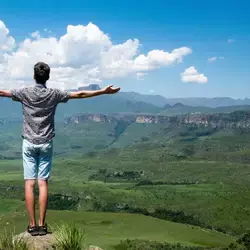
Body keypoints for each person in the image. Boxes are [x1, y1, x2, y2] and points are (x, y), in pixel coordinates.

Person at [0, 62, 120, 236]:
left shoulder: (24, 92)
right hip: (46, 142)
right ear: (47, 77)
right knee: (42, 183)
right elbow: (80, 94)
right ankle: (42, 225)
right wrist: (102, 91)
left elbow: (2, 92)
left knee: (29, 182)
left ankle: (32, 225)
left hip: (29, 142)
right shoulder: (54, 93)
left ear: (34, 76)